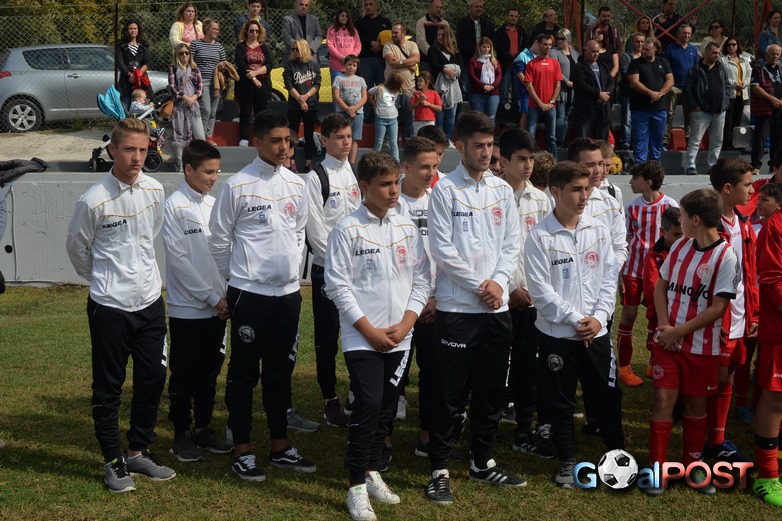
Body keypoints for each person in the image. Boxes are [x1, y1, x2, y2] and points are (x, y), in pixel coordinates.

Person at [66, 118, 175, 493]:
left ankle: (137, 451)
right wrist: (104, 279)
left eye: (143, 150)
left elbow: (151, 234)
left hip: (150, 302)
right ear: (113, 150)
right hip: (110, 306)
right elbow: (77, 249)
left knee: (154, 377)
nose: (137, 157)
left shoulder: (155, 189)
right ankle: (113, 461)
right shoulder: (93, 200)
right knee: (109, 386)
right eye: (129, 149)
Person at [209, 110, 316, 482]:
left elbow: (299, 233)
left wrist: (289, 275)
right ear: (256, 142)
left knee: (279, 373)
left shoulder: (297, 184)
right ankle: (242, 449)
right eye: (276, 141)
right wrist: (236, 280)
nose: (284, 147)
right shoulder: (236, 185)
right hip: (249, 295)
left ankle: (280, 447)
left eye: (288, 140)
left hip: (287, 296)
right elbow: (219, 240)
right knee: (243, 374)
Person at [425, 111, 525, 505]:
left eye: (489, 145)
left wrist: (499, 283)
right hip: (457, 309)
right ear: (459, 145)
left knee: (492, 389)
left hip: (496, 310)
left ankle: (482, 460)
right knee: (448, 393)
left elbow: (512, 244)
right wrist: (480, 286)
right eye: (478, 145)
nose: (486, 153)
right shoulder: (445, 190)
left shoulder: (501, 190)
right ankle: (439, 468)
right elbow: (442, 249)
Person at [325, 151, 430, 521]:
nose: (393, 191)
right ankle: (356, 486)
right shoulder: (347, 229)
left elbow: (422, 281)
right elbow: (337, 287)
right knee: (368, 404)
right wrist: (369, 331)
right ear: (364, 187)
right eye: (384, 184)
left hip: (400, 336)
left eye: (395, 183)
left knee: (386, 407)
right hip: (362, 338)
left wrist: (406, 324)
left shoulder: (407, 228)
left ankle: (371, 472)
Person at [525, 160, 624, 489]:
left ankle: (617, 454)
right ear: (555, 191)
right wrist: (576, 320)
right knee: (560, 400)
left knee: (607, 394)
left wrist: (599, 318)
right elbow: (541, 292)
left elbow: (609, 279)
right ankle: (568, 459)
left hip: (597, 331)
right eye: (576, 190)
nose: (584, 196)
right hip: (558, 335)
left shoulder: (598, 230)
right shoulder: (539, 236)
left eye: (587, 189)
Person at [647, 188, 738, 497]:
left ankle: (693, 466)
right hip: (668, 342)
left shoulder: (726, 256)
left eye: (683, 216)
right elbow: (661, 287)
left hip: (702, 346)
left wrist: (679, 332)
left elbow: (718, 308)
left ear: (695, 219)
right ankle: (658, 468)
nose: (680, 221)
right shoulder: (680, 245)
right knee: (663, 400)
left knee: (697, 405)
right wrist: (665, 327)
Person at [162, 140, 231, 463]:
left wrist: (224, 296)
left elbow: (224, 252)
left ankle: (203, 427)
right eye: (208, 172)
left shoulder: (214, 205)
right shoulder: (173, 207)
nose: (214, 178)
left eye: (216, 172)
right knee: (184, 373)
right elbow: (179, 261)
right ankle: (181, 434)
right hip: (188, 308)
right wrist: (211, 297)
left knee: (209, 371)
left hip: (218, 308)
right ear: (188, 169)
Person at [497, 128, 554, 458]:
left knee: (527, 365)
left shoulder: (541, 200)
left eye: (531, 159)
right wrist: (508, 289)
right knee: (492, 364)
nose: (528, 165)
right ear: (504, 161)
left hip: (531, 299)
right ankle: (485, 423)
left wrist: (532, 291)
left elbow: (544, 251)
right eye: (521, 159)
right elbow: (486, 250)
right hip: (497, 297)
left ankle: (523, 428)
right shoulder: (490, 195)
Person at [304, 113, 361, 429]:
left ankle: (356, 394)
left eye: (349, 136)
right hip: (328, 271)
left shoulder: (354, 173)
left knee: (358, 330)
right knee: (327, 338)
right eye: (339, 137)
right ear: (323, 140)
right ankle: (329, 399)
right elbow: (316, 233)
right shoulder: (316, 178)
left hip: (358, 272)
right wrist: (342, 266)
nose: (346, 142)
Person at [702, 158, 757, 467]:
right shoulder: (709, 228)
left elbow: (749, 274)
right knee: (715, 380)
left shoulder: (743, 223)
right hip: (718, 318)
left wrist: (753, 313)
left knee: (730, 377)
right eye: (747, 185)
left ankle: (717, 438)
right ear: (727, 188)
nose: (752, 190)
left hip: (740, 315)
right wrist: (717, 317)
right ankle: (705, 441)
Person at [617, 161, 678, 387]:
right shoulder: (632, 208)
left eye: (635, 178)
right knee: (628, 315)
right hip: (633, 270)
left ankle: (654, 361)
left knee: (658, 315)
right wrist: (620, 274)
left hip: (660, 272)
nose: (631, 182)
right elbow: (624, 240)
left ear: (648, 182)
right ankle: (624, 367)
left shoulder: (670, 205)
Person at [753, 178, 782, 507]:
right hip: (779, 331)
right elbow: (772, 280)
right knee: (776, 400)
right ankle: (767, 476)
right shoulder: (775, 226)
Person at [641, 206, 683, 375]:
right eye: (677, 234)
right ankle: (657, 367)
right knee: (660, 345)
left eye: (684, 233)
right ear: (663, 231)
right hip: (661, 313)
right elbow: (652, 290)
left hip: (683, 311)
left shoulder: (689, 250)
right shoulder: (654, 256)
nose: (681, 238)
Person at [683, 42, 730, 175]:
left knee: (717, 142)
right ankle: (690, 166)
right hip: (701, 112)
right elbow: (687, 90)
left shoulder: (721, 69)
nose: (717, 55)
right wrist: (695, 106)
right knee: (695, 140)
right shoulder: (695, 70)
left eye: (718, 53)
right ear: (706, 53)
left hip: (719, 111)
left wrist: (725, 104)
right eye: (714, 53)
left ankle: (713, 166)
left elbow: (726, 87)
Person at [627, 38, 674, 163]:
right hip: (640, 108)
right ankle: (639, 165)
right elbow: (634, 82)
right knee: (640, 139)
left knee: (657, 139)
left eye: (647, 50)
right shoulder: (635, 63)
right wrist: (650, 93)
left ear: (655, 50)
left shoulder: (663, 62)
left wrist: (660, 93)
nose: (643, 51)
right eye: (643, 49)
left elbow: (670, 81)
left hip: (659, 108)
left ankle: (654, 165)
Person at [283, 39, 321, 171]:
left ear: (303, 49)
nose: (294, 51)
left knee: (309, 134)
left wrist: (306, 96)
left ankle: (308, 162)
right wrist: (300, 99)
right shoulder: (290, 65)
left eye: (297, 49)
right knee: (292, 133)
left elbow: (317, 84)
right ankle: (291, 161)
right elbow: (289, 84)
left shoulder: (314, 65)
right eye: (293, 49)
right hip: (294, 104)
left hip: (311, 104)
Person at [190, 19, 227, 146]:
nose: (217, 31)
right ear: (206, 28)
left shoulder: (219, 46)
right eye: (214, 28)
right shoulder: (196, 44)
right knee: (205, 109)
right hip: (202, 81)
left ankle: (208, 136)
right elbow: (190, 61)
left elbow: (224, 61)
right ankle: (200, 137)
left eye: (218, 29)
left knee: (213, 111)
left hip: (216, 82)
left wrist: (222, 65)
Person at [235, 20, 272, 148]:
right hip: (245, 83)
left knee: (261, 112)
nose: (254, 33)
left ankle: (260, 137)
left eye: (257, 31)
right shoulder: (240, 47)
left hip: (262, 83)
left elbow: (269, 64)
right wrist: (253, 78)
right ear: (246, 31)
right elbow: (241, 64)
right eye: (251, 31)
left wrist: (256, 74)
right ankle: (244, 138)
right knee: (245, 111)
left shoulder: (264, 47)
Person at [169, 43, 205, 172]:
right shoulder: (173, 69)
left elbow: (200, 86)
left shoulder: (195, 69)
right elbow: (172, 87)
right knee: (180, 136)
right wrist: (185, 98)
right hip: (180, 106)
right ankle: (180, 165)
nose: (184, 55)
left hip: (194, 107)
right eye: (181, 53)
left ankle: (202, 163)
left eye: (187, 53)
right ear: (177, 55)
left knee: (200, 136)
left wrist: (194, 98)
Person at [524, 34, 562, 158]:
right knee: (531, 136)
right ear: (539, 45)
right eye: (545, 44)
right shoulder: (531, 64)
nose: (548, 47)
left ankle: (554, 163)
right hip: (534, 105)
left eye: (550, 44)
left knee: (552, 137)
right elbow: (529, 85)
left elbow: (558, 84)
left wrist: (551, 101)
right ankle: (530, 161)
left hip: (551, 106)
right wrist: (540, 103)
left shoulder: (555, 63)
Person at [663, 24, 699, 147]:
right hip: (674, 87)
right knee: (669, 114)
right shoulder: (670, 49)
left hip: (688, 87)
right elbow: (666, 68)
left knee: (689, 115)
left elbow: (696, 68)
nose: (686, 35)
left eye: (689, 33)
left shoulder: (693, 50)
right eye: (684, 33)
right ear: (678, 34)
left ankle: (689, 140)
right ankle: (665, 140)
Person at [383, 23, 420, 140]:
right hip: (391, 89)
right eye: (392, 32)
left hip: (409, 88)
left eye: (396, 32)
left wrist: (400, 62)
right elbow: (392, 62)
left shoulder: (412, 45)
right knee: (390, 117)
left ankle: (409, 140)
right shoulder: (388, 45)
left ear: (403, 33)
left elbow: (416, 59)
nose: (393, 35)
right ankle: (389, 140)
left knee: (409, 118)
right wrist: (409, 64)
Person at [571, 40, 614, 140]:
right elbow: (581, 85)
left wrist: (607, 95)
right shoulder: (579, 66)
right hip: (586, 111)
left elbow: (611, 82)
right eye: (593, 51)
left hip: (603, 111)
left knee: (602, 144)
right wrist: (598, 94)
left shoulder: (603, 66)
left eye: (598, 51)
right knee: (582, 142)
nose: (596, 54)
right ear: (585, 50)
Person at [751, 44, 782, 174]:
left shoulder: (781, 67)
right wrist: (772, 99)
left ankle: (774, 166)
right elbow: (755, 88)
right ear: (766, 54)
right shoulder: (758, 68)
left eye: (778, 54)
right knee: (760, 139)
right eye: (773, 54)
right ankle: (756, 166)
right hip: (765, 109)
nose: (775, 56)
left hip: (780, 109)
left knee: (778, 140)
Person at [428, 26, 464, 140]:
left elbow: (461, 66)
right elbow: (433, 64)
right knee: (439, 116)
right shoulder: (433, 49)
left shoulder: (455, 51)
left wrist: (455, 71)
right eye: (438, 35)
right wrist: (445, 70)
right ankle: (439, 139)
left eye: (442, 35)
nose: (440, 37)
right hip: (439, 88)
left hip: (453, 87)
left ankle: (447, 139)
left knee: (451, 116)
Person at [333, 55, 368, 165]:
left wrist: (355, 108)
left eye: (354, 65)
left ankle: (351, 164)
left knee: (354, 139)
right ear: (344, 65)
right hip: (342, 113)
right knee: (341, 137)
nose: (351, 67)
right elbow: (336, 96)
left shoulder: (361, 80)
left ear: (357, 67)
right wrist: (347, 109)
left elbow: (364, 97)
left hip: (358, 113)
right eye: (349, 64)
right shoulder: (339, 79)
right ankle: (341, 161)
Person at [719, 36, 752, 150]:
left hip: (742, 93)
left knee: (738, 119)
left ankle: (736, 142)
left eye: (733, 44)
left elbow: (749, 74)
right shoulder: (723, 60)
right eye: (729, 45)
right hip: (730, 93)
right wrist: (734, 84)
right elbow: (722, 77)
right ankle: (727, 143)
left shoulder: (744, 59)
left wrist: (744, 84)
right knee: (728, 119)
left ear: (738, 46)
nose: (731, 47)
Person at [355, 0, 393, 91]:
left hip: (382, 59)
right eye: (366, 5)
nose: (368, 7)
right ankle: (367, 101)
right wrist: (371, 43)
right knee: (366, 89)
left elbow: (391, 37)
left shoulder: (385, 22)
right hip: (365, 59)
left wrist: (380, 45)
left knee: (383, 88)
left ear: (376, 5)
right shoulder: (358, 23)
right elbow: (357, 39)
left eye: (371, 4)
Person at [550, 29, 578, 148]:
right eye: (557, 38)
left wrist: (576, 82)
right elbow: (555, 70)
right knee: (561, 116)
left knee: (566, 117)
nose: (559, 41)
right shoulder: (554, 52)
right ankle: (556, 142)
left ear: (568, 39)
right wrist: (567, 82)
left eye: (562, 38)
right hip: (561, 90)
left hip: (573, 91)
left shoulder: (575, 53)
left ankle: (561, 142)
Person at [115, 19, 152, 110]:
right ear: (127, 30)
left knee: (141, 108)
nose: (133, 30)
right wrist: (130, 75)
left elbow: (147, 62)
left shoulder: (144, 45)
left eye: (135, 28)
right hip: (126, 80)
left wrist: (139, 73)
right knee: (125, 107)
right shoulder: (120, 45)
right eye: (130, 28)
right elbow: (120, 63)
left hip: (141, 81)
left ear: (138, 30)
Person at [495, 8, 527, 109]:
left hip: (518, 66)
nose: (513, 18)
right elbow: (499, 48)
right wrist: (511, 58)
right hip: (505, 66)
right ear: (507, 17)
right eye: (511, 16)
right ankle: (502, 115)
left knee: (517, 94)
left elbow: (525, 47)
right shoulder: (500, 32)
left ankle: (516, 115)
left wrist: (517, 58)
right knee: (503, 92)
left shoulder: (522, 32)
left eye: (516, 16)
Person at [369, 71, 405, 162]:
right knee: (379, 142)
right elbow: (369, 93)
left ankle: (397, 162)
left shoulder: (397, 90)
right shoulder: (380, 88)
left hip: (393, 118)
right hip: (381, 118)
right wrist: (374, 104)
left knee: (393, 143)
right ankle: (374, 161)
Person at [467, 37, 502, 125]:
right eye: (484, 47)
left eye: (488, 47)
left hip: (493, 93)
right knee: (478, 119)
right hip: (477, 93)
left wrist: (493, 86)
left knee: (491, 118)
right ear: (479, 47)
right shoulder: (473, 61)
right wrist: (484, 86)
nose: (486, 49)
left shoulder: (494, 61)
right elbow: (472, 75)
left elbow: (499, 74)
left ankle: (490, 134)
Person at [619, 32, 645, 150]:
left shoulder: (646, 57)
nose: (640, 44)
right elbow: (624, 72)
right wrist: (640, 77)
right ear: (632, 43)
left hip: (642, 94)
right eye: (637, 41)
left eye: (642, 41)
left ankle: (638, 142)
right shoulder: (625, 57)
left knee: (640, 120)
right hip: (628, 93)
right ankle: (625, 143)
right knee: (626, 119)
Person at [455, 0, 494, 73]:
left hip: (485, 62)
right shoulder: (462, 24)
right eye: (476, 7)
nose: (479, 9)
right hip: (467, 61)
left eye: (481, 7)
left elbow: (492, 40)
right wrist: (477, 52)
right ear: (470, 8)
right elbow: (461, 42)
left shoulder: (488, 24)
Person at [327, 8, 362, 81]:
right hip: (336, 66)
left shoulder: (353, 30)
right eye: (342, 16)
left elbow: (358, 46)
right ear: (338, 17)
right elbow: (330, 45)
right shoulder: (332, 30)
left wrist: (351, 57)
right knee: (337, 86)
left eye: (346, 16)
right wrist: (341, 57)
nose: (344, 18)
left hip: (351, 65)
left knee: (350, 87)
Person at [415, 0, 449, 72]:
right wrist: (433, 54)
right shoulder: (421, 22)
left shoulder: (445, 23)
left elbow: (448, 40)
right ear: (429, 8)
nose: (439, 9)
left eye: (440, 8)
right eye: (436, 7)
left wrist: (443, 56)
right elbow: (421, 41)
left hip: (442, 61)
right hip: (426, 61)